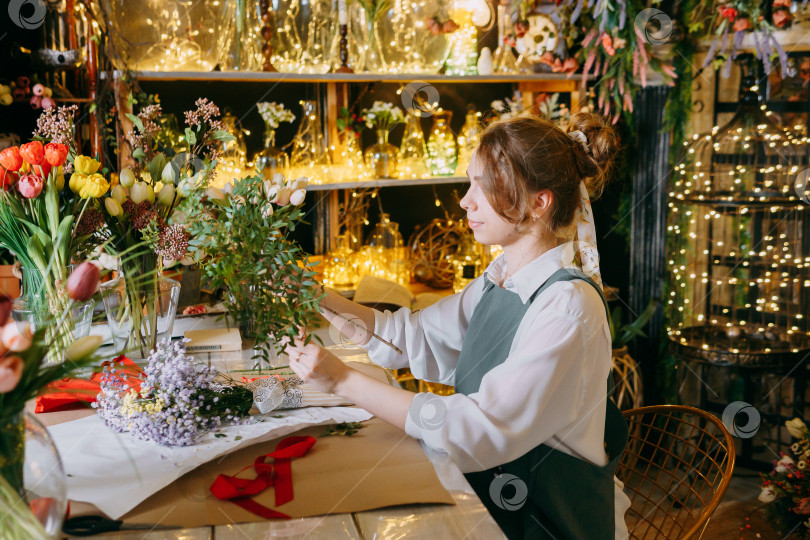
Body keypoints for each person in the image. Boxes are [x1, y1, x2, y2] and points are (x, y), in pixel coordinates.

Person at [287, 112, 631, 539]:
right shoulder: (499, 278)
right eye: (470, 182)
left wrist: (342, 382)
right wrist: (310, 292)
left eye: (483, 185)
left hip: (542, 523)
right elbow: (416, 339)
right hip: (490, 497)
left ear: (538, 203)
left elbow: (478, 430)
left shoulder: (568, 308)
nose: (466, 200)